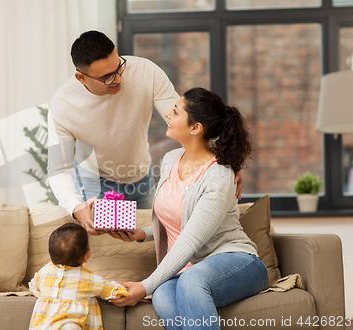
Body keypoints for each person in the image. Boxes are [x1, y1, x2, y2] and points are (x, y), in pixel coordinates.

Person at [47, 30, 245, 235]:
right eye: (107, 77)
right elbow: (58, 168)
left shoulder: (145, 72)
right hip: (96, 181)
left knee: (148, 238)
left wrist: (226, 160)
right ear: (81, 78)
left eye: (119, 68)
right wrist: (75, 207)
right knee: (113, 247)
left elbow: (188, 122)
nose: (118, 80)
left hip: (140, 176)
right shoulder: (63, 105)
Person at [108, 88, 268, 330]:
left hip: (237, 262)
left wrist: (144, 285)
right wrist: (143, 233)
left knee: (190, 281)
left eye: (175, 111)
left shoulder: (219, 176)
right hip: (188, 271)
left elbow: (190, 239)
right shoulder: (171, 159)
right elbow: (178, 219)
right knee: (162, 293)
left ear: (196, 128)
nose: (168, 116)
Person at [28, 222, 129, 330]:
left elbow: (33, 286)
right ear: (85, 257)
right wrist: (128, 290)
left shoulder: (45, 271)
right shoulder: (87, 279)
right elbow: (114, 291)